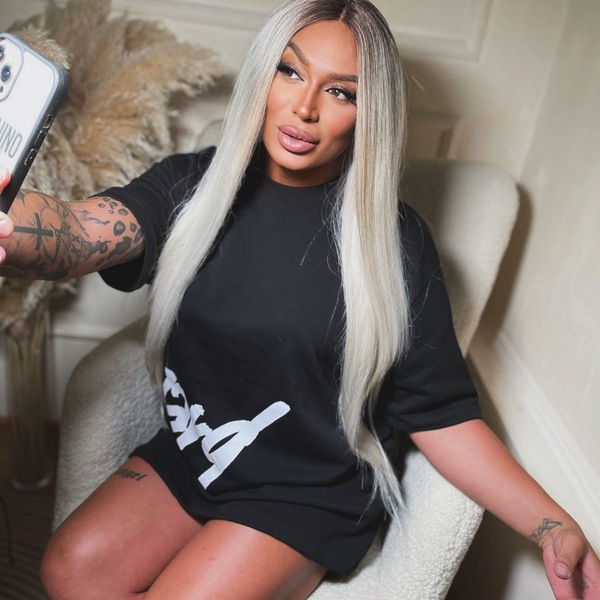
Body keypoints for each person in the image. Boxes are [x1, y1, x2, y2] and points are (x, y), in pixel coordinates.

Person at [0, 0, 599, 598]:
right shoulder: (193, 184)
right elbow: (78, 234)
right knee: (69, 570)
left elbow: (442, 414)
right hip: (198, 450)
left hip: (304, 490)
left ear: (367, 115)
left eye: (341, 92)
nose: (305, 107)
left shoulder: (396, 244)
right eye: (290, 71)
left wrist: (551, 525)